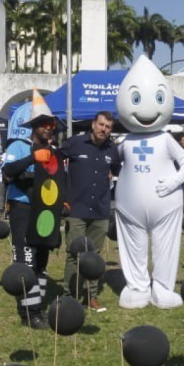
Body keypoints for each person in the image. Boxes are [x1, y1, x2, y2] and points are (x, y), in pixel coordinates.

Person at [112, 56, 184, 310]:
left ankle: (161, 287)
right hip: (129, 208)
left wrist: (173, 182)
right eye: (134, 100)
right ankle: (137, 286)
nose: (146, 110)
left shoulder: (166, 138)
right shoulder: (124, 141)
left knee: (166, 246)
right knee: (133, 246)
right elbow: (111, 163)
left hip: (166, 205)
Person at [2, 93, 64, 327]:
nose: (50, 129)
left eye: (52, 125)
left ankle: (36, 306)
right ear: (34, 126)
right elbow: (7, 172)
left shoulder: (53, 152)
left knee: (42, 261)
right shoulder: (18, 146)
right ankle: (29, 313)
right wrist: (31, 159)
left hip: (45, 212)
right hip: (23, 209)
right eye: (45, 125)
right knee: (26, 260)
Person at [59, 110, 121, 311]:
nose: (104, 129)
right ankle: (70, 295)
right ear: (93, 124)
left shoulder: (113, 150)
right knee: (74, 254)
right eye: (101, 125)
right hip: (76, 208)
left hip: (100, 210)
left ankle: (91, 296)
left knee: (95, 256)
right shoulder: (74, 143)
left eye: (108, 127)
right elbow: (54, 162)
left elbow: (118, 170)